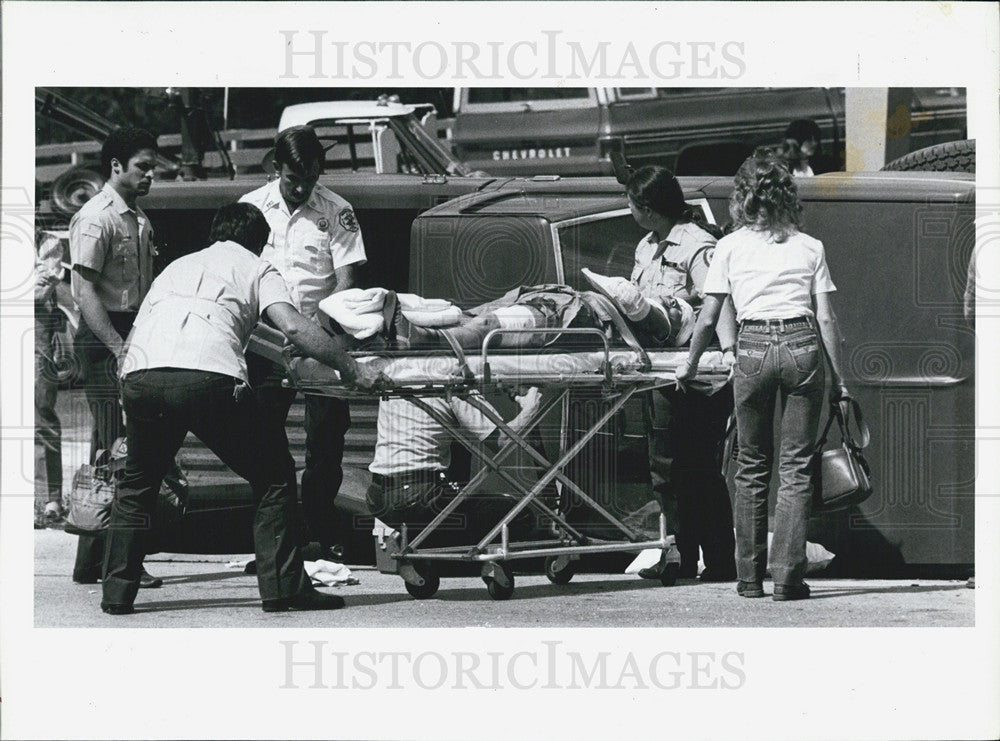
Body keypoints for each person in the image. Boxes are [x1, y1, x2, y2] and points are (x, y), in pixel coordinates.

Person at [101, 203, 380, 615]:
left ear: (216, 232)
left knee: (138, 484)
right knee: (274, 478)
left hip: (141, 375)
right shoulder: (258, 267)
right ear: (260, 241)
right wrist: (350, 367)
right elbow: (292, 326)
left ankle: (116, 594)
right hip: (207, 379)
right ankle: (284, 589)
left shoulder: (177, 266)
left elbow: (210, 321)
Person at [676, 148, 851, 601]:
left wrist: (691, 363)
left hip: (751, 347)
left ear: (742, 198)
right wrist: (841, 382)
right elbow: (826, 319)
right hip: (801, 344)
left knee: (750, 467)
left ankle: (749, 579)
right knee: (795, 469)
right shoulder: (810, 246)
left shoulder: (729, 246)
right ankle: (788, 579)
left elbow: (710, 312)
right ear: (787, 198)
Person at [588, 165, 739, 582]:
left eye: (633, 205)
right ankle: (679, 555)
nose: (630, 212)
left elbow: (717, 303)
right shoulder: (645, 247)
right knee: (664, 468)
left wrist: (720, 355)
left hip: (697, 373)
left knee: (699, 468)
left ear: (650, 210)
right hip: (659, 373)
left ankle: (721, 560)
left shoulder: (697, 246)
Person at [240, 125, 367, 560]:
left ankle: (322, 532)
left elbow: (347, 279)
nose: (300, 187)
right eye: (293, 178)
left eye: (310, 179)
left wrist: (320, 333)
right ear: (277, 168)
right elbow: (239, 274)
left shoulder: (337, 211)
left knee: (327, 443)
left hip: (322, 339)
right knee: (262, 443)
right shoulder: (251, 208)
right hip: (266, 340)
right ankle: (274, 542)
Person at [67, 126, 165, 588]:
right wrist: (117, 347)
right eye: (143, 166)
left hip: (129, 332)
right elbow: (84, 291)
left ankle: (91, 560)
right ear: (116, 167)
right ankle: (122, 563)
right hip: (105, 335)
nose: (151, 175)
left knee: (108, 449)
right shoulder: (97, 217)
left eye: (153, 167)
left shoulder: (137, 218)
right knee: (126, 451)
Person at [367, 388, 543, 547]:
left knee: (458, 466)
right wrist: (530, 409)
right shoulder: (455, 387)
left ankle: (417, 539)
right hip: (421, 497)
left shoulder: (394, 377)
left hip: (378, 497)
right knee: (518, 516)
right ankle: (427, 544)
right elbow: (503, 441)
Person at [35, 228, 67, 524]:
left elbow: (41, 290)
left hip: (36, 340)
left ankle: (50, 498)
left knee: (40, 418)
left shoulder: (49, 243)